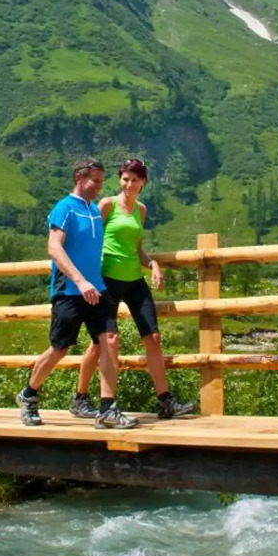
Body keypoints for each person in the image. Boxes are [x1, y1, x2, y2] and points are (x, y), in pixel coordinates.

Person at [16, 158, 137, 430]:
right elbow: (54, 248)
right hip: (70, 290)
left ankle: (108, 408)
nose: (98, 187)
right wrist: (80, 281)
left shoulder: (94, 210)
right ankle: (29, 394)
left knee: (110, 340)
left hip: (97, 290)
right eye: (94, 181)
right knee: (60, 348)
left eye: (101, 182)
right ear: (79, 179)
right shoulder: (64, 208)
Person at [71, 158, 195, 420]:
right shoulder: (107, 205)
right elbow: (89, 239)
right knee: (102, 343)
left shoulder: (141, 210)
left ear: (143, 183)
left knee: (153, 337)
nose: (129, 184)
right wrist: (85, 277)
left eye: (135, 180)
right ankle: (82, 398)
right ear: (120, 179)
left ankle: (165, 402)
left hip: (134, 280)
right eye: (125, 179)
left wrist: (153, 264)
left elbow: (137, 248)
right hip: (107, 280)